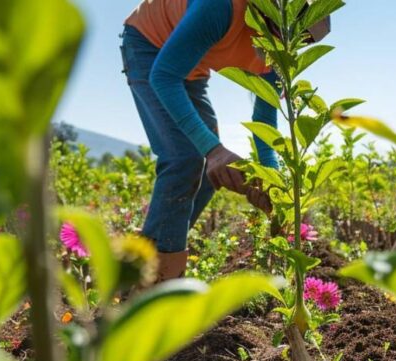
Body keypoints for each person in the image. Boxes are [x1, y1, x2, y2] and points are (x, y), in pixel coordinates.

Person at [121, 0, 329, 281]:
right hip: (150, 44)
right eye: (284, 33)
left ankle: (146, 262)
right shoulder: (220, 6)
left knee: (210, 171)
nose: (287, 46)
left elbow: (265, 122)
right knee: (186, 157)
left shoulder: (281, 54)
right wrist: (215, 150)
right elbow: (164, 76)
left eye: (301, 40)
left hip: (192, 67)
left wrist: (273, 184)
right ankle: (154, 283)